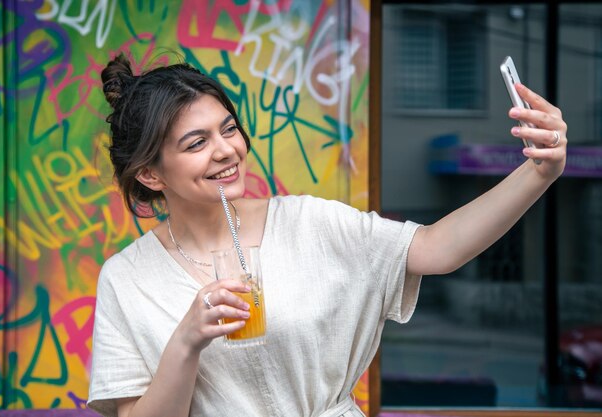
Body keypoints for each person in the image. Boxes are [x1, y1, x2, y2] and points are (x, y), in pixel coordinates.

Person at [87, 53, 567, 417]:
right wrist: (187, 341)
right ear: (150, 174)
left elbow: (435, 248)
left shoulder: (308, 223)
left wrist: (538, 174)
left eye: (228, 129)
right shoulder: (126, 278)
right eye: (197, 142)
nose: (226, 150)